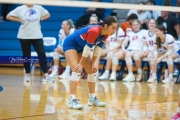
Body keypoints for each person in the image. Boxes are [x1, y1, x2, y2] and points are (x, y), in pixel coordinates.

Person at [63, 16, 118, 109]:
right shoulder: (94, 31)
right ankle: (71, 100)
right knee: (77, 70)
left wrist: (92, 63)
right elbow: (87, 49)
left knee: (92, 71)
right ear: (105, 26)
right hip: (71, 44)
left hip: (82, 48)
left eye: (116, 28)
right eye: (113, 28)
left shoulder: (106, 34)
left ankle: (92, 98)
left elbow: (97, 49)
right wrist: (80, 64)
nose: (114, 30)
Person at [6, 4, 50, 82]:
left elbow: (47, 14)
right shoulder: (20, 8)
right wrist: (19, 20)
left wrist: (41, 19)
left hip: (37, 35)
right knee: (26, 55)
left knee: (41, 53)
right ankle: (28, 74)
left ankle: (46, 74)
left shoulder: (38, 8)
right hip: (24, 36)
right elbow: (8, 16)